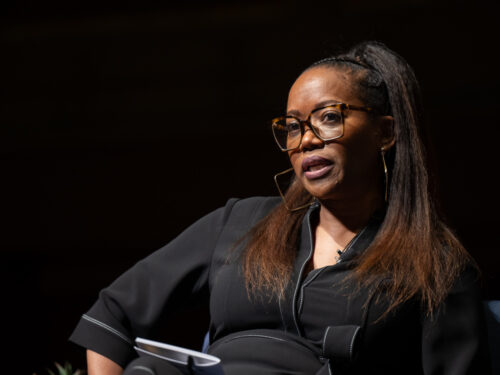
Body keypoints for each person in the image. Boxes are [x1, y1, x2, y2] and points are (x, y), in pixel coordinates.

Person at [70, 41, 491, 375]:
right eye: (292, 127)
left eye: (328, 117)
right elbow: (114, 312)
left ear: (385, 133)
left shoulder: (435, 267)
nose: (306, 139)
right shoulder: (240, 223)